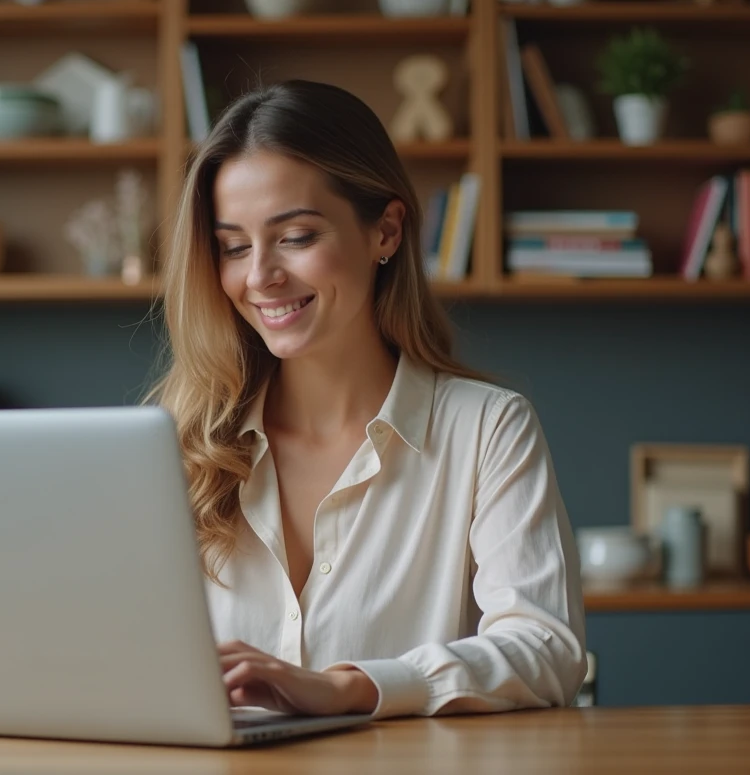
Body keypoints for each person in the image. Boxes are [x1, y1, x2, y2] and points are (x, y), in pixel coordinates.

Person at [147, 80, 586, 720]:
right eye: (234, 246)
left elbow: (547, 648)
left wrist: (349, 688)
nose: (260, 275)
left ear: (385, 231)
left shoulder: (487, 429)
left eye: (295, 236)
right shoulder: (171, 443)